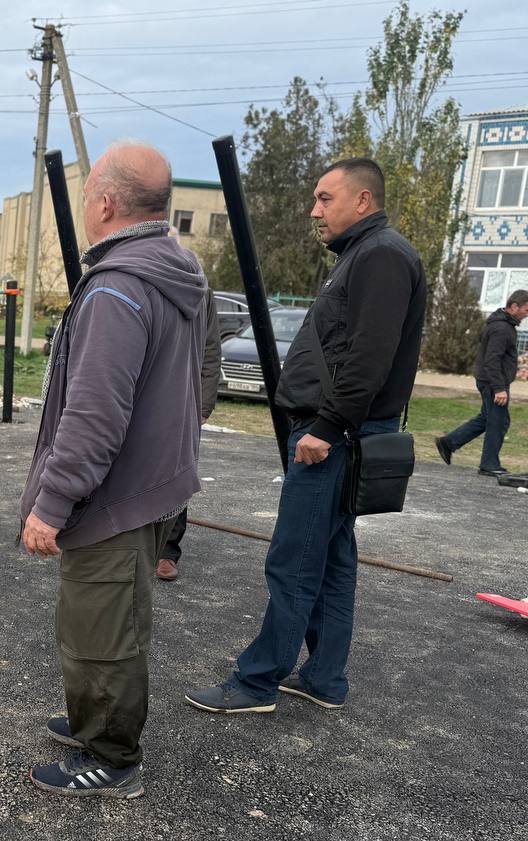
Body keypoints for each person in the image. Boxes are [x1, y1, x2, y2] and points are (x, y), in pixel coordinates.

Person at [186, 157, 425, 714]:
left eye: (325, 198)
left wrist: (326, 426)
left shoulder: (382, 255)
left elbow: (369, 356)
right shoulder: (362, 255)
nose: (314, 210)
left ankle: (256, 682)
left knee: (293, 557)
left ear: (362, 201)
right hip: (342, 431)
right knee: (334, 555)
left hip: (340, 436)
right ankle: (323, 678)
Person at [20, 141, 208, 799]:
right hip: (148, 485)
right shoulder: (173, 268)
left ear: (103, 203)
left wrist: (53, 502)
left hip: (112, 496)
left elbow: (95, 414)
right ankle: (90, 719)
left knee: (102, 629)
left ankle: (112, 755)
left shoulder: (119, 288)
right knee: (105, 616)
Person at [157, 293, 222, 581]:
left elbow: (210, 347)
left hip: (183, 399)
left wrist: (204, 405)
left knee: (178, 473)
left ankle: (167, 551)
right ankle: (132, 544)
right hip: (144, 391)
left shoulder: (196, 286)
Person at [435, 289, 526, 477]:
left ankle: (448, 443)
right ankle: (489, 464)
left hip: (490, 380)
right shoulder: (502, 328)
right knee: (498, 422)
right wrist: (499, 388)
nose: (527, 314)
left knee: (486, 419)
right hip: (493, 383)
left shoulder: (503, 325)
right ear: (514, 306)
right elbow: (492, 359)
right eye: (526, 310)